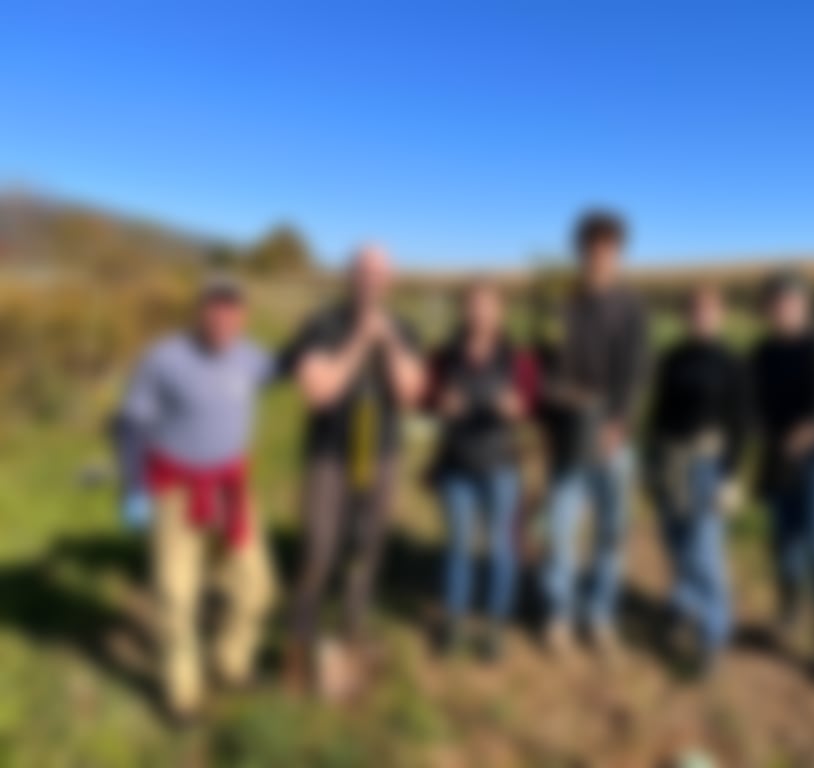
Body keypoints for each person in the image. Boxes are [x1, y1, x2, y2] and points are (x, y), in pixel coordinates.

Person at [112, 277, 277, 722]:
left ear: (244, 315)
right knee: (175, 596)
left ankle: (230, 661)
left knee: (257, 587)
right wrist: (133, 487)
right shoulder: (163, 359)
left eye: (232, 307)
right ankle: (181, 694)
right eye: (214, 305)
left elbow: (295, 364)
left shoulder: (253, 357)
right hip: (176, 491)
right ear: (198, 310)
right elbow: (131, 423)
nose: (223, 316)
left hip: (231, 490)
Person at [278, 244, 425, 700]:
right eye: (363, 271)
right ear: (349, 275)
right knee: (318, 550)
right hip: (330, 456)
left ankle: (349, 641)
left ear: (390, 281)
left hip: (381, 456)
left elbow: (410, 395)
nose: (371, 281)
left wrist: (390, 343)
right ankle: (298, 647)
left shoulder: (404, 329)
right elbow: (318, 392)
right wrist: (360, 340)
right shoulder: (321, 325)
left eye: (380, 273)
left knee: (366, 551)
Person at [541, 210, 648, 656]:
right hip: (569, 429)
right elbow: (545, 366)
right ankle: (559, 615)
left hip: (613, 436)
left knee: (611, 533)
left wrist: (618, 423)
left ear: (619, 254)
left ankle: (601, 617)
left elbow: (637, 371)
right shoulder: (562, 306)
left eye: (608, 248)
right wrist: (556, 401)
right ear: (580, 252)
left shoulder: (631, 308)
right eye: (592, 247)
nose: (600, 256)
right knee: (561, 530)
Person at [426, 278, 536, 661]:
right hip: (456, 466)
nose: (480, 313)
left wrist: (516, 409)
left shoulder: (517, 359)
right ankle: (454, 620)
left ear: (500, 312)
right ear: (463, 310)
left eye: (488, 306)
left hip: (501, 467)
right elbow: (427, 399)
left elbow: (530, 404)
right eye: (473, 305)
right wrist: (441, 404)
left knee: (502, 548)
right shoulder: (445, 356)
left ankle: (494, 626)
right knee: (458, 545)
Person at [750, 269, 814, 684]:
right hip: (779, 461)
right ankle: (788, 615)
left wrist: (789, 443)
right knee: (785, 547)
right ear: (766, 309)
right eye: (775, 303)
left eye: (789, 302)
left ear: (805, 305)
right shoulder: (762, 352)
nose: (782, 310)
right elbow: (750, 403)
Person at [645, 286, 746, 677]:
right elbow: (658, 411)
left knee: (704, 550)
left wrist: (730, 476)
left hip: (707, 465)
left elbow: (741, 424)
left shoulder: (731, 363)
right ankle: (683, 608)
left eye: (708, 310)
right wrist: (651, 460)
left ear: (721, 315)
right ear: (685, 316)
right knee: (675, 542)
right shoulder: (672, 358)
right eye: (694, 310)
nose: (701, 316)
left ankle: (713, 635)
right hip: (670, 460)